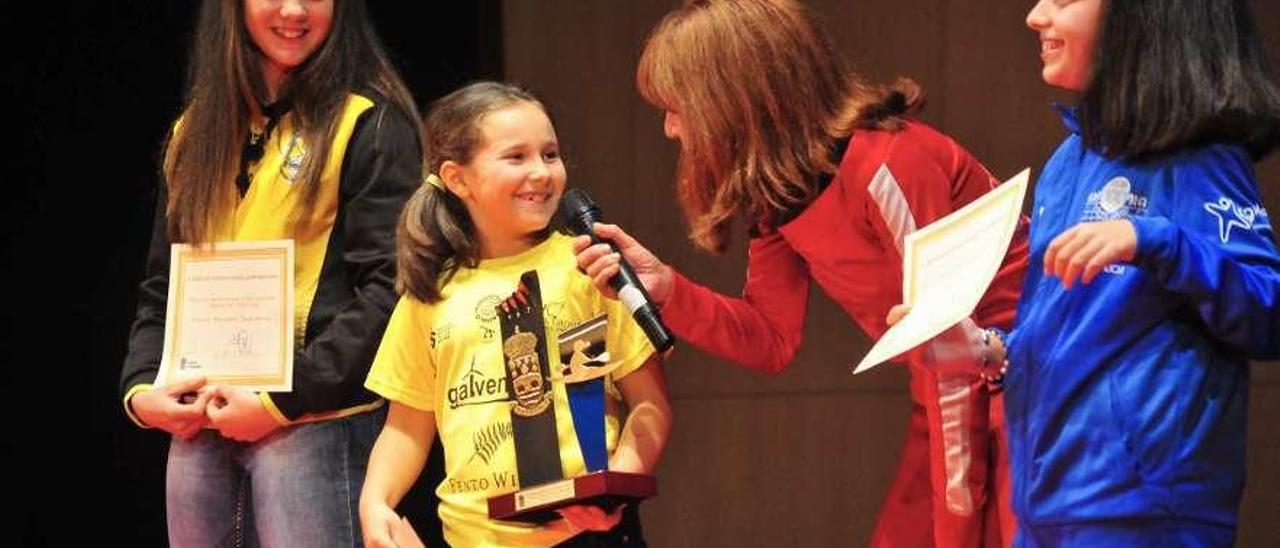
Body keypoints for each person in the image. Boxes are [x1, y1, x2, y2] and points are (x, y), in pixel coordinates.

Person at [573, 0, 1029, 546]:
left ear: (736, 99)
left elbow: (953, 349)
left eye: (677, 107)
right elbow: (771, 340)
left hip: (1027, 390)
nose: (671, 129)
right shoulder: (783, 200)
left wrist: (956, 526)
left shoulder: (888, 162)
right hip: (948, 395)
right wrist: (668, 288)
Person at [117, 0, 422, 545]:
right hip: (202, 428)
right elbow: (162, 286)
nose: (293, 10)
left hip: (314, 426)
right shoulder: (196, 134)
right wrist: (143, 389)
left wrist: (284, 399)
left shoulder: (370, 122)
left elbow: (389, 290)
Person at [994, 0, 1280, 544]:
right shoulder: (1066, 162)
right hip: (1046, 506)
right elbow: (1067, 330)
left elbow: (1270, 309)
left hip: (1142, 510)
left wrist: (1158, 241)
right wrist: (987, 351)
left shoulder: (1200, 155)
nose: (1035, 16)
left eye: (1063, 0)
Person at [358, 81, 673, 548]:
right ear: (457, 178)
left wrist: (615, 489)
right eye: (516, 157)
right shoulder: (431, 294)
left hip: (587, 534)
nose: (542, 173)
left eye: (550, 154)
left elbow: (650, 403)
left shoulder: (588, 268)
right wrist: (375, 502)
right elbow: (407, 426)